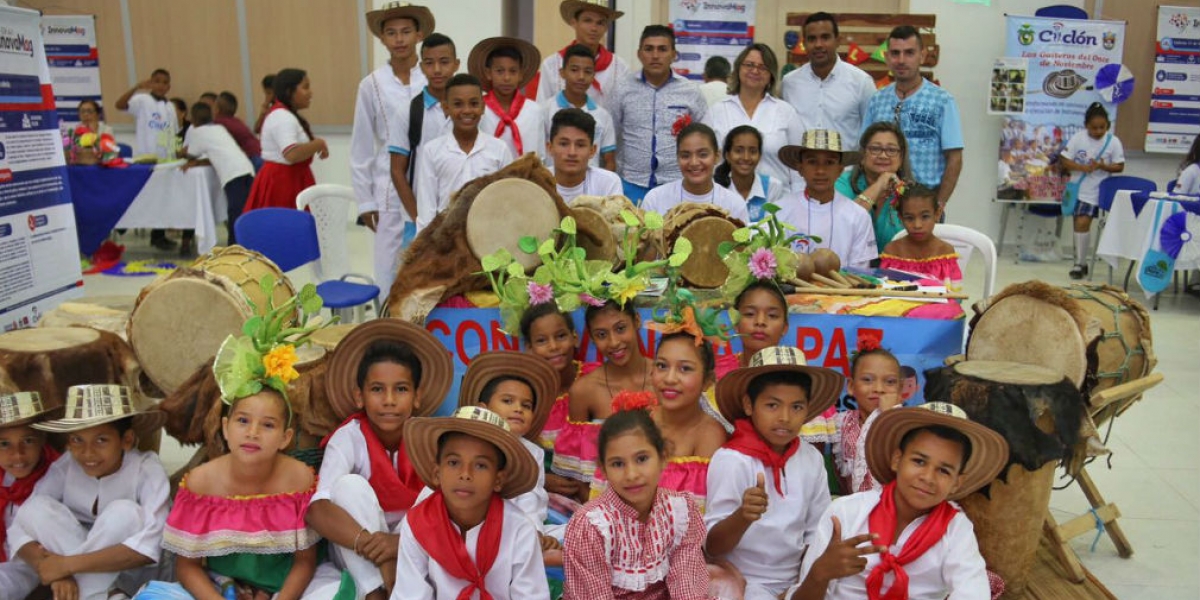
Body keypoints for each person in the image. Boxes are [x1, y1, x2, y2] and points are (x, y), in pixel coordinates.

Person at [137, 298, 342, 600]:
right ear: (224, 428)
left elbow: (304, 562)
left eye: (268, 425)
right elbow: (188, 568)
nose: (253, 433)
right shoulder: (201, 482)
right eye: (243, 421)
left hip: (286, 590)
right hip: (223, 587)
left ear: (286, 438)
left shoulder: (299, 479)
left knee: (337, 591)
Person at [789, 403, 1009, 600]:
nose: (927, 477)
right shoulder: (846, 512)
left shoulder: (955, 529)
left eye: (943, 470)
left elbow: (972, 590)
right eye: (919, 461)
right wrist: (820, 573)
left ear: (956, 483)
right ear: (897, 460)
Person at [308, 319, 452, 600]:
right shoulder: (349, 437)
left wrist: (397, 544)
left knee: (436, 491)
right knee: (349, 486)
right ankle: (377, 592)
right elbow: (317, 509)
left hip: (412, 544)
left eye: (400, 389)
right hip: (357, 550)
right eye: (377, 390)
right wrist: (371, 545)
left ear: (417, 397)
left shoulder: (430, 438)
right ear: (359, 397)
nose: (389, 400)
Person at [707, 346, 844, 600]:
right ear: (749, 405)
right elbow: (713, 547)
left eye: (796, 407)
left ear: (808, 409)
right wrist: (742, 517)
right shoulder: (731, 460)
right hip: (740, 580)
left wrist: (804, 584)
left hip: (797, 578)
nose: (785, 417)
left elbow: (815, 534)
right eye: (772, 405)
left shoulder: (811, 459)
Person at [12, 385, 168, 600]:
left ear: (127, 440)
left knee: (125, 513)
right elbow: (19, 527)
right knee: (35, 508)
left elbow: (150, 545)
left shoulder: (147, 470)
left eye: (101, 440)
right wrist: (56, 573)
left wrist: (67, 566)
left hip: (128, 575)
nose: (88, 452)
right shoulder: (67, 466)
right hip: (77, 573)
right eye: (77, 440)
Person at [394, 407, 549, 599]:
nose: (465, 474)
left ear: (498, 480)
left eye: (480, 465)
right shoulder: (419, 524)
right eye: (453, 462)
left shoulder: (518, 529)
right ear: (437, 473)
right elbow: (410, 594)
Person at [562, 409, 710, 599]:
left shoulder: (680, 512)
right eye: (617, 464)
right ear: (603, 469)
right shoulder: (591, 526)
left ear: (663, 457)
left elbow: (687, 586)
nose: (631, 474)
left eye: (641, 459)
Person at [459, 352, 562, 555]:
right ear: (483, 409)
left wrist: (534, 534)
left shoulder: (533, 453)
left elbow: (531, 498)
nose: (518, 409)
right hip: (471, 526)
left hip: (520, 526)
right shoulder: (466, 446)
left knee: (575, 530)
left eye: (526, 405)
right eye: (507, 401)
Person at [554, 300, 651, 502]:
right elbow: (580, 481)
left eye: (621, 328)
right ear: (591, 338)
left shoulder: (664, 379)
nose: (614, 342)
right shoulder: (584, 390)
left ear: (637, 321)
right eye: (601, 335)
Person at [863, 26, 963, 210]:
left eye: (909, 53)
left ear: (922, 56)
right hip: (882, 200)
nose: (901, 60)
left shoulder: (942, 101)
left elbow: (955, 158)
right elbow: (864, 151)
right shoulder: (877, 100)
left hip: (924, 202)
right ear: (886, 57)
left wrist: (939, 205)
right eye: (895, 53)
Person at [611, 25, 707, 204]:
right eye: (649, 49)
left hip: (676, 183)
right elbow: (612, 135)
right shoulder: (622, 89)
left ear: (673, 54)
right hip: (631, 184)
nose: (655, 55)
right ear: (639, 54)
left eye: (662, 49)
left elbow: (704, 139)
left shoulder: (691, 91)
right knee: (632, 233)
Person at [413, 74, 513, 232]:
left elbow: (508, 200)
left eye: (473, 103)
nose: (467, 110)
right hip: (446, 238)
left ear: (483, 107)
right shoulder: (432, 151)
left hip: (488, 235)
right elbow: (427, 209)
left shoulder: (499, 149)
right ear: (446, 108)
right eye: (458, 104)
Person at [706, 44, 803, 190]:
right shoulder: (717, 111)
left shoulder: (786, 112)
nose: (755, 71)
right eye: (749, 65)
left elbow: (799, 165)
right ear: (738, 68)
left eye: (763, 67)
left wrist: (798, 203)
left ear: (771, 74)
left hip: (775, 203)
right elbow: (704, 158)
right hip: (726, 203)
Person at [777, 130, 877, 269]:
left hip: (843, 289)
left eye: (829, 162)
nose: (820, 171)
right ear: (800, 168)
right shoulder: (780, 211)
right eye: (812, 162)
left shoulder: (858, 216)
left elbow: (859, 271)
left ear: (840, 170)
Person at [781, 12, 876, 151]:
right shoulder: (789, 83)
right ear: (804, 44)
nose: (818, 45)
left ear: (838, 41)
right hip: (799, 170)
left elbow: (872, 134)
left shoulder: (861, 82)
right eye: (812, 39)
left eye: (825, 37)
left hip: (847, 171)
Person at [0, 392, 60, 600]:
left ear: (43, 438)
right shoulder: (2, 477)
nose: (17, 454)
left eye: (27, 441)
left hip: (30, 565)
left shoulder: (58, 476)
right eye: (4, 444)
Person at [390, 32, 459, 208]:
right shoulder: (407, 111)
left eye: (444, 62)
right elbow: (397, 171)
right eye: (429, 63)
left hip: (461, 216)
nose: (436, 69)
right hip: (418, 216)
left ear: (456, 64)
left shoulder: (468, 111)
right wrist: (416, 218)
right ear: (421, 67)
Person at [244, 69, 328, 212]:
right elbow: (292, 154)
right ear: (290, 92)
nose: (310, 93)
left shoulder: (284, 114)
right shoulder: (282, 117)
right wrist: (318, 143)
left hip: (289, 178)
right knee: (284, 229)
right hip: (282, 182)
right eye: (305, 87)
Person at [1059, 102, 1125, 280]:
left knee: (1083, 224)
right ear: (1086, 125)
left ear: (1108, 126)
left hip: (1099, 191)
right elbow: (1064, 160)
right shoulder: (1078, 138)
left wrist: (1102, 166)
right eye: (1094, 128)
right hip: (1078, 190)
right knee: (1079, 225)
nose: (1098, 131)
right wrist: (1083, 168)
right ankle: (1080, 262)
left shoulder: (1113, 142)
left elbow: (1120, 166)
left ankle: (1081, 262)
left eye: (1102, 128)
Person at [115, 68, 177, 250]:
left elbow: (172, 132)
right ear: (150, 82)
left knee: (161, 199)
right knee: (142, 197)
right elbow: (119, 105)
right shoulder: (142, 100)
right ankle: (122, 225)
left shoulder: (170, 106)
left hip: (165, 161)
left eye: (165, 82)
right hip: (146, 158)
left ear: (169, 86)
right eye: (156, 81)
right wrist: (136, 87)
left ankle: (158, 236)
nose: (160, 85)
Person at [833, 335, 902, 495]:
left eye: (890, 382)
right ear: (851, 386)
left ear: (900, 389)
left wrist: (889, 416)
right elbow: (840, 474)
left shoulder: (906, 426)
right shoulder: (842, 423)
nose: (879, 388)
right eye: (868, 380)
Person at [641, 122, 751, 222]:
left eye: (703, 154)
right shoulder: (655, 199)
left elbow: (742, 244)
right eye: (685, 155)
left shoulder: (735, 205)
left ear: (717, 156)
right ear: (677, 158)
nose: (694, 162)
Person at [535, 0, 629, 112]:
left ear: (606, 28)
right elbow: (541, 109)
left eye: (600, 23)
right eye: (587, 21)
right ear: (574, 23)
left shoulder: (619, 67)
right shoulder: (552, 64)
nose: (594, 28)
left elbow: (625, 111)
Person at [182, 102, 255, 245]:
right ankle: (246, 242)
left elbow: (191, 153)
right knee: (246, 210)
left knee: (235, 212)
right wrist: (198, 162)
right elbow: (217, 154)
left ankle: (234, 246)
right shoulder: (219, 128)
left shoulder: (198, 132)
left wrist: (179, 152)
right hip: (247, 169)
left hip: (233, 175)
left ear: (193, 119)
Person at [539, 44, 618, 172]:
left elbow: (609, 160)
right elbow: (538, 156)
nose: (581, 77)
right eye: (574, 70)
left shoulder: (603, 115)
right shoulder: (544, 111)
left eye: (587, 71)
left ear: (593, 76)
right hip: (553, 184)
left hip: (590, 188)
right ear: (562, 73)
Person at [836, 122, 910, 254]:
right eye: (875, 149)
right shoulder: (842, 183)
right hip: (848, 266)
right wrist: (879, 185)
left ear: (901, 158)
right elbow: (845, 223)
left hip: (895, 268)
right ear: (863, 155)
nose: (883, 155)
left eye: (891, 150)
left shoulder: (910, 192)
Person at [470, 37, 544, 162]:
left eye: (513, 71)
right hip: (489, 177)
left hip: (524, 179)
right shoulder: (478, 109)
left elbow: (541, 154)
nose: (507, 78)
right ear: (488, 73)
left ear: (521, 74)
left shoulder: (534, 111)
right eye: (500, 71)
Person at [880, 184, 963, 285]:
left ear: (937, 214)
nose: (917, 225)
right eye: (909, 218)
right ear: (901, 218)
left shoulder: (945, 252)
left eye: (925, 217)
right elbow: (883, 289)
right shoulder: (892, 251)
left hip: (937, 301)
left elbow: (955, 294)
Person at [547, 108, 623, 204]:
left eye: (580, 145)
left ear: (592, 150)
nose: (572, 152)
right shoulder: (534, 182)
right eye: (564, 144)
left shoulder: (609, 182)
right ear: (550, 148)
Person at [713, 125, 787, 222]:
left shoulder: (772, 187)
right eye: (738, 151)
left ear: (760, 156)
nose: (746, 157)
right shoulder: (715, 188)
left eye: (753, 151)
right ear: (727, 155)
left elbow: (775, 229)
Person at [214, 91, 263, 172]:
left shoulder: (219, 123)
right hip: (260, 155)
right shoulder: (237, 121)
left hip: (253, 159)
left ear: (217, 109)